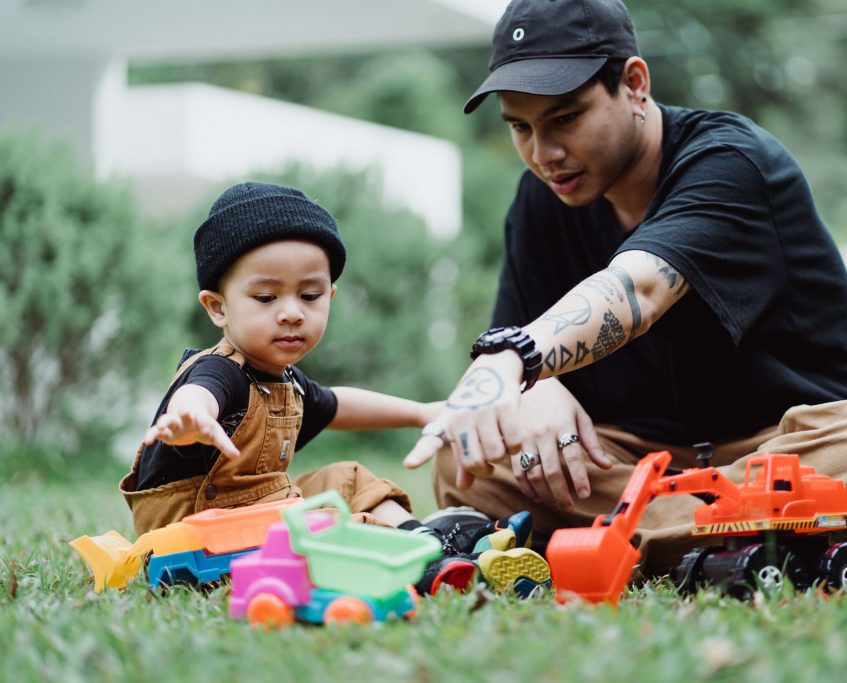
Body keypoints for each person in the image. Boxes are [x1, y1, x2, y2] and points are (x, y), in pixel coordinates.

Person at [405, 0, 847, 580]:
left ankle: (606, 544)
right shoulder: (542, 198)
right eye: (521, 127)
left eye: (565, 118)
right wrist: (537, 387)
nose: (544, 153)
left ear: (634, 85)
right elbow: (527, 357)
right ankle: (734, 546)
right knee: (466, 456)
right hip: (633, 466)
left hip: (778, 454)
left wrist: (519, 358)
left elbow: (638, 289)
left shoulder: (730, 163)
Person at [119, 181, 550, 595]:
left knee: (347, 479)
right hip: (194, 539)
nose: (291, 313)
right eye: (267, 298)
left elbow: (337, 403)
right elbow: (200, 392)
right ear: (218, 308)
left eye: (310, 296)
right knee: (328, 520)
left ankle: (434, 541)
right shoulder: (221, 373)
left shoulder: (282, 379)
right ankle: (431, 563)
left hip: (253, 520)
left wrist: (422, 411)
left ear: (331, 295)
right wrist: (190, 418)